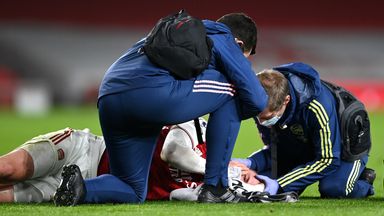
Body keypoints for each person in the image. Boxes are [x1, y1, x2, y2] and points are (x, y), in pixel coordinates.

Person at [53, 12, 268, 205]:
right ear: (239, 44)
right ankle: (216, 187)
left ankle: (80, 188)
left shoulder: (173, 30)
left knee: (132, 188)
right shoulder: (224, 37)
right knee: (235, 90)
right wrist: (237, 112)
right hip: (149, 96)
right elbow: (258, 100)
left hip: (109, 96)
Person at [0, 119, 263, 203]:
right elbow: (171, 151)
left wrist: (223, 188)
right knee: (9, 170)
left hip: (78, 185)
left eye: (247, 182)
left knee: (7, 196)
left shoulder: (203, 189)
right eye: (249, 174)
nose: (243, 176)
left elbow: (180, 195)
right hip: (84, 150)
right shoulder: (201, 129)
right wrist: (214, 171)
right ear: (240, 163)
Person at [234, 62, 375, 198]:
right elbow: (276, 149)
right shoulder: (261, 104)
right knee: (259, 179)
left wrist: (279, 184)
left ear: (286, 100)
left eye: (268, 117)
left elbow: (328, 159)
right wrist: (249, 163)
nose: (262, 122)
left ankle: (364, 182)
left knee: (334, 189)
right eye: (258, 116)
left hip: (346, 145)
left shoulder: (316, 106)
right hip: (306, 142)